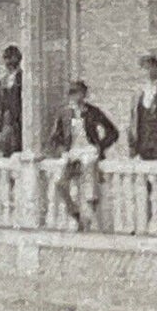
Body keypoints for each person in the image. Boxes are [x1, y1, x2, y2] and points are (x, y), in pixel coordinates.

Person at [47, 80, 119, 230]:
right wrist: (63, 151)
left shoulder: (92, 112)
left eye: (78, 93)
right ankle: (76, 214)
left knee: (89, 178)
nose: (75, 97)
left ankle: (88, 219)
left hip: (89, 150)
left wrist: (100, 147)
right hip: (72, 152)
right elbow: (54, 138)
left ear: (84, 94)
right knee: (60, 183)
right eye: (72, 93)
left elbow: (113, 132)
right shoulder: (64, 113)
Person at [0, 45, 23, 156]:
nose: (9, 62)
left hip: (19, 121)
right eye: (7, 58)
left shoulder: (23, 78)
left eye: (12, 58)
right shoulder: (3, 81)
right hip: (6, 122)